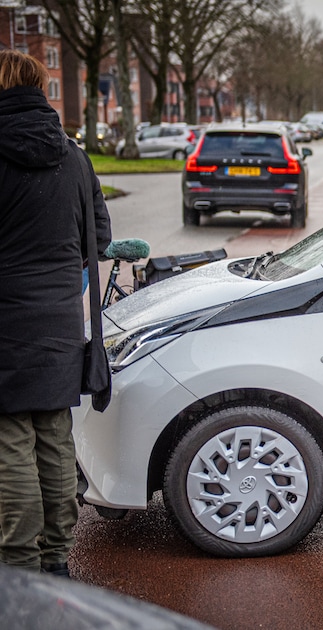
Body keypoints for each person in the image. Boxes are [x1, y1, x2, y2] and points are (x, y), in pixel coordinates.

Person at [0, 50, 112, 578]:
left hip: (7, 323)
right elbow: (101, 236)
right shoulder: (74, 155)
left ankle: (19, 563)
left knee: (11, 440)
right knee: (53, 434)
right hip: (63, 322)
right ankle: (56, 557)